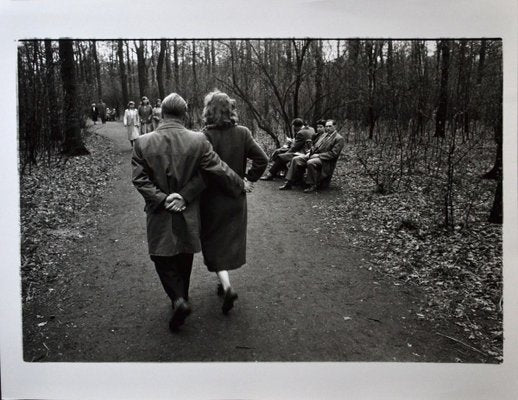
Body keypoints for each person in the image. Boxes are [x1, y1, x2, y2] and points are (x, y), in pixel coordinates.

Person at [132, 92, 245, 332]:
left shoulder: (142, 142)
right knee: (184, 253)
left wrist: (163, 198)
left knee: (161, 257)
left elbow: (140, 180)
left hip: (159, 211)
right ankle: (181, 298)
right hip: (188, 210)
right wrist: (239, 184)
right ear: (185, 114)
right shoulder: (198, 141)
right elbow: (215, 170)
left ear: (161, 113)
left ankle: (178, 299)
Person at [199, 90, 268, 314]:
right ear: (230, 110)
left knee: (212, 240)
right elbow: (262, 159)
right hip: (236, 197)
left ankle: (226, 285)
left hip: (212, 198)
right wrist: (248, 179)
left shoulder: (205, 136)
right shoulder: (243, 133)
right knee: (228, 240)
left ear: (209, 111)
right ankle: (223, 282)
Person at [279, 119, 345, 193]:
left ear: (335, 127)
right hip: (314, 155)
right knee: (296, 159)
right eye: (326, 126)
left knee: (311, 162)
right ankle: (289, 183)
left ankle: (312, 185)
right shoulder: (324, 135)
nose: (328, 128)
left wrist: (318, 156)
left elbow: (333, 154)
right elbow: (315, 146)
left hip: (326, 161)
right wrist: (309, 152)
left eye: (330, 126)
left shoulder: (339, 138)